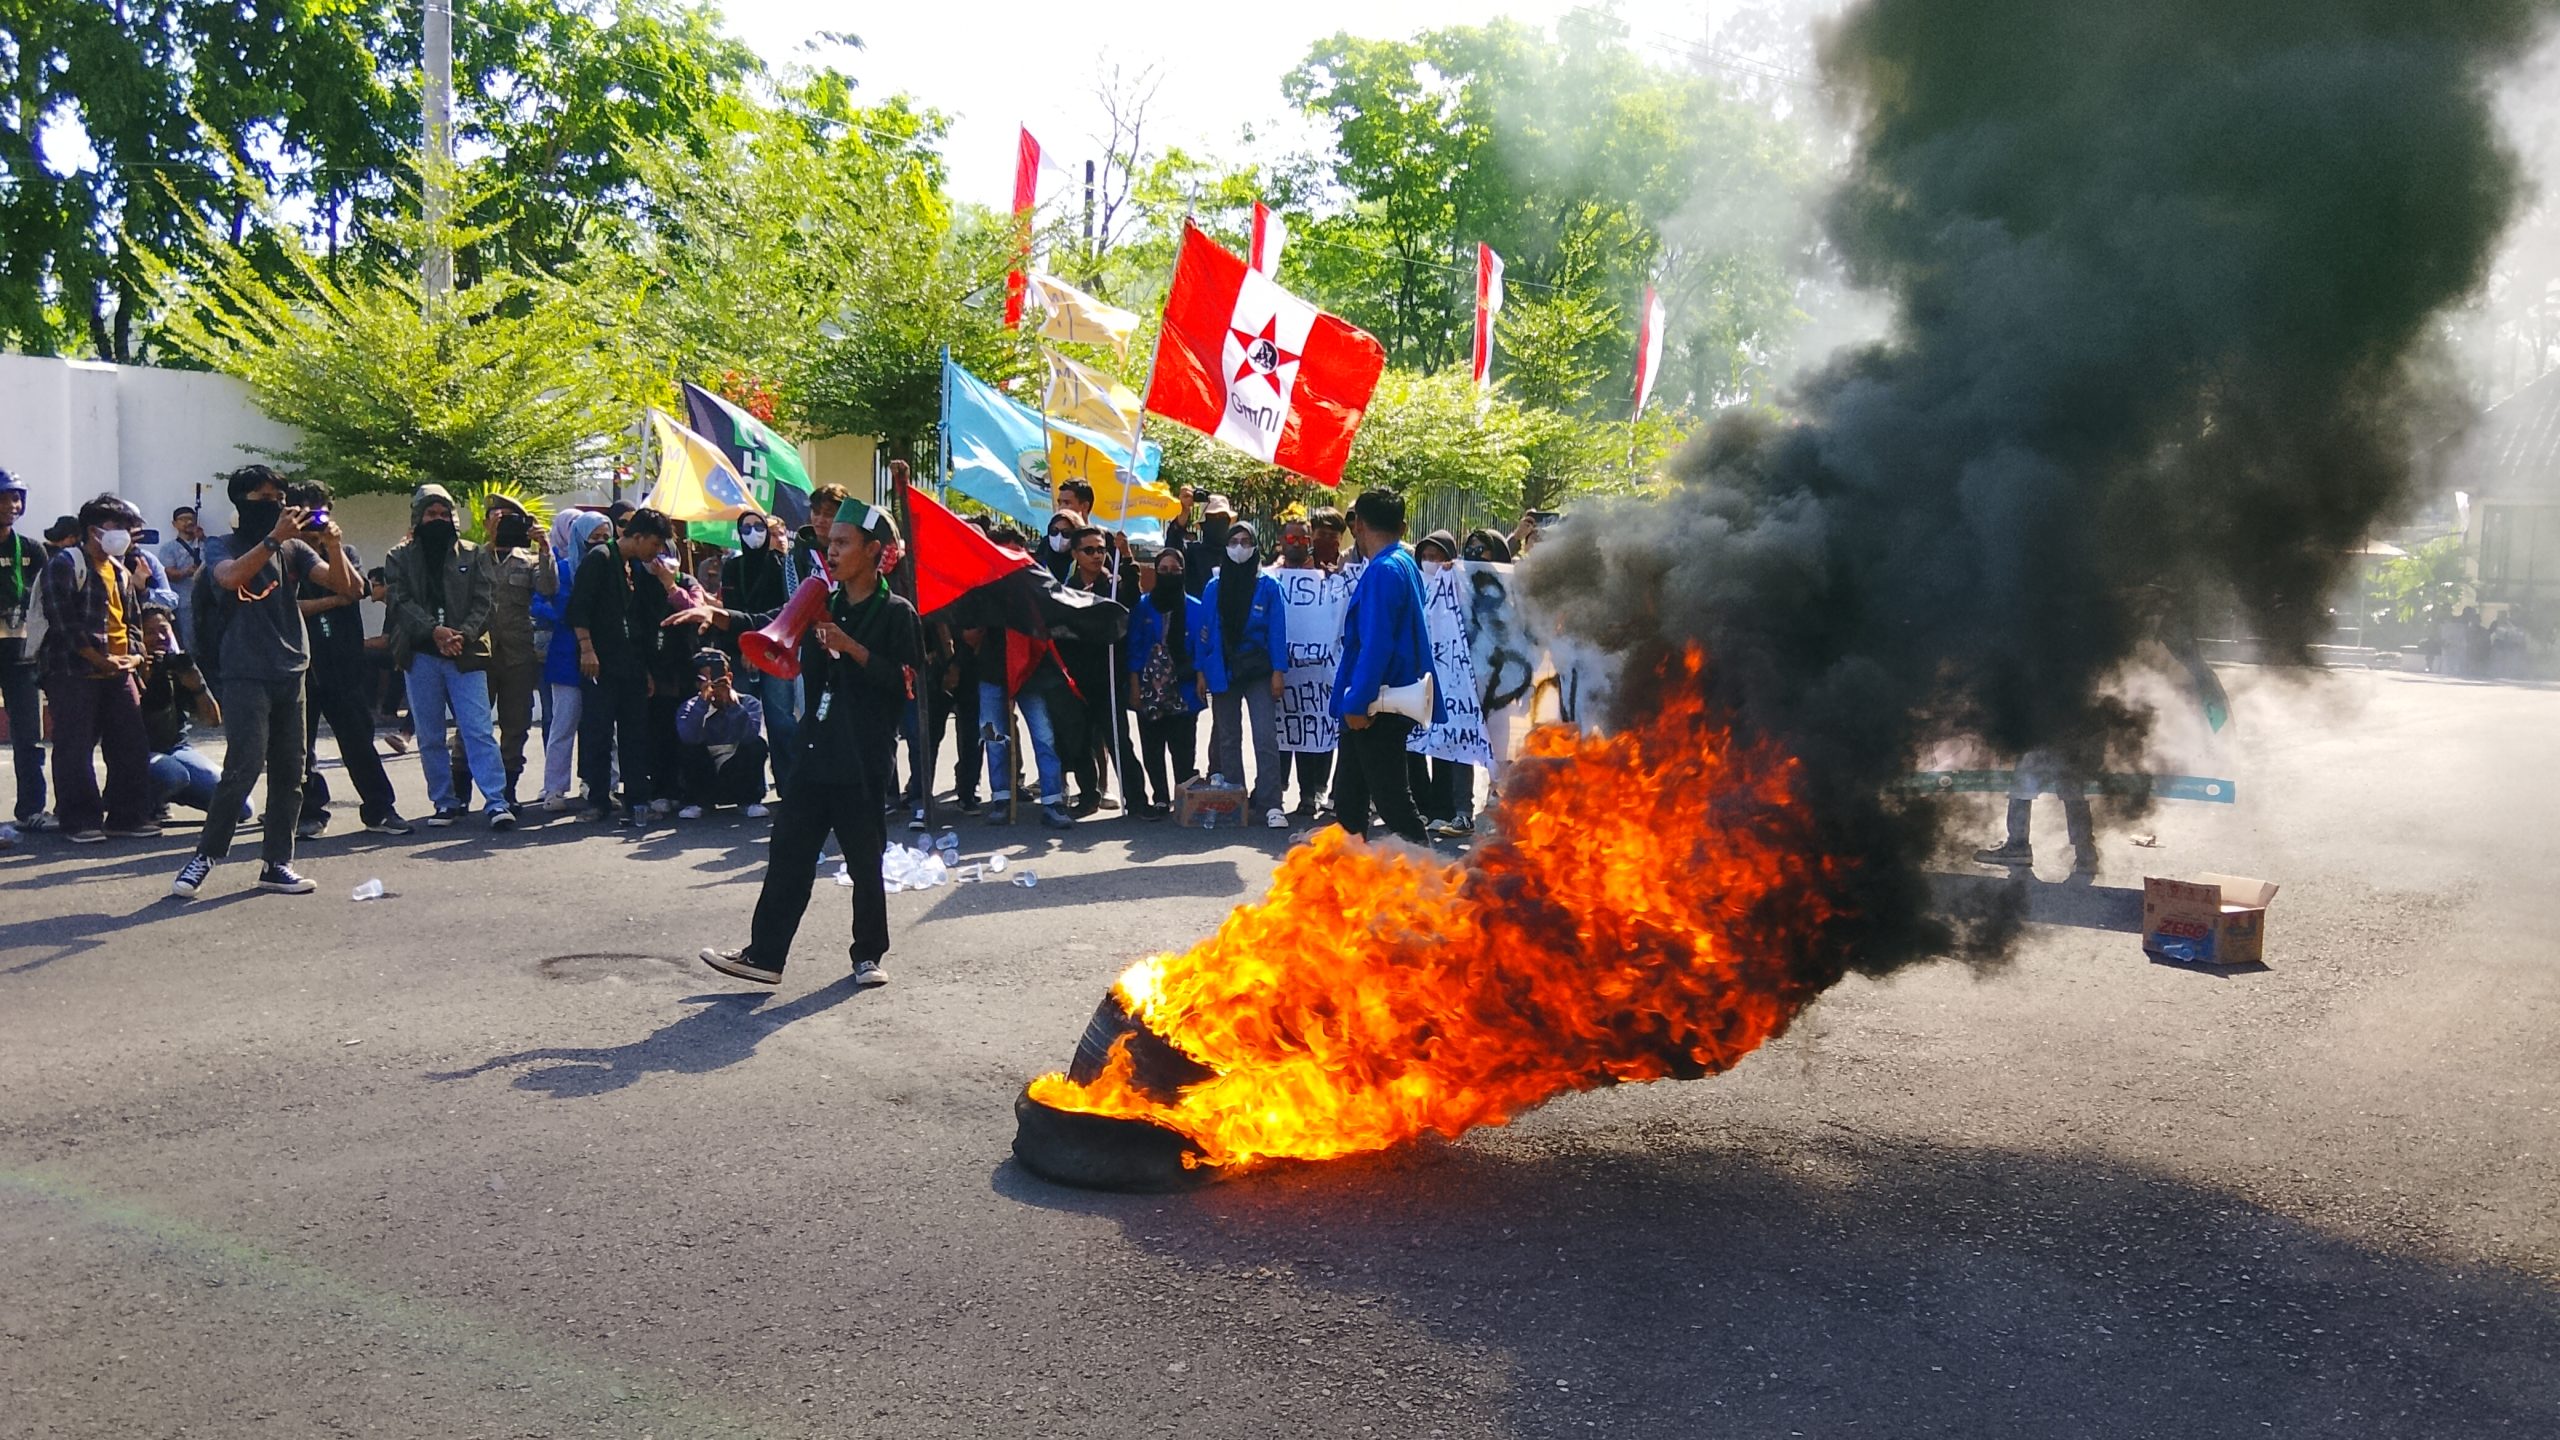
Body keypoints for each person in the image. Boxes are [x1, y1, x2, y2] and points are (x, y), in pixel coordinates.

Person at [700, 502, 921, 989]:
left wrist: (852, 648)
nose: (832, 551)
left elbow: (905, 681)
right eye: (830, 542)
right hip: (814, 750)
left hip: (862, 756)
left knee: (865, 860)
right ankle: (765, 956)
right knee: (788, 855)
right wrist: (718, 616)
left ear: (873, 551)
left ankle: (868, 955)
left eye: (843, 543)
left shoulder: (896, 613)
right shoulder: (821, 599)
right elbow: (770, 619)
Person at [169, 467, 364, 898]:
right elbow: (229, 577)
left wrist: (333, 545)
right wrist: (273, 538)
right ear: (241, 501)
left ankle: (277, 862)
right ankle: (205, 856)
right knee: (243, 765)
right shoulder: (223, 544)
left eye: (279, 497)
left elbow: (347, 588)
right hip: (244, 670)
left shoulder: (296, 548)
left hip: (291, 668)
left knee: (291, 770)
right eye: (264, 497)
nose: (276, 504)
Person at [382, 484, 516, 831]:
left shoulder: (474, 554)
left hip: (466, 655)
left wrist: (462, 635)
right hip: (420, 656)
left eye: (444, 513)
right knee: (430, 736)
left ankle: (496, 802)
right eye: (431, 513)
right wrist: (434, 632)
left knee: (478, 730)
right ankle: (444, 802)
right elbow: (399, 600)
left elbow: (486, 601)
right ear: (418, 516)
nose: (438, 519)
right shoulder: (399, 556)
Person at [282, 479, 408, 838]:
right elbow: (288, 607)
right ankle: (309, 811)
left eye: (321, 513)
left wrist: (332, 546)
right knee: (300, 746)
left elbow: (356, 589)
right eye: (307, 513)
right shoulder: (284, 554)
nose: (315, 521)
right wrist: (334, 600)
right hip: (302, 663)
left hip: (344, 660)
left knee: (358, 742)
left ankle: (380, 810)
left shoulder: (344, 551)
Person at [38, 494, 160, 843]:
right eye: (117, 526)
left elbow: (132, 622)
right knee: (75, 747)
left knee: (130, 744)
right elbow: (63, 622)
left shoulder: (120, 570)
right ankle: (79, 820)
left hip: (119, 671)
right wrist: (97, 658)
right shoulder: (65, 564)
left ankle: (127, 817)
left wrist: (134, 658)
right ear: (93, 530)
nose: (125, 533)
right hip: (73, 671)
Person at [1329, 488, 1441, 846]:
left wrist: (1357, 702)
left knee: (1392, 801)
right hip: (1386, 696)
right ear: (1403, 527)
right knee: (1349, 797)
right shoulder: (1403, 563)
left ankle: (1427, 870)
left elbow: (1377, 644)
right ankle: (1349, 871)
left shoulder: (1384, 570)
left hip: (1378, 702)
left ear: (1358, 525)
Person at [567, 506, 675, 825]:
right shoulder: (599, 558)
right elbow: (579, 608)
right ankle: (597, 801)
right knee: (598, 732)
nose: (657, 551)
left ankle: (637, 800)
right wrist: (587, 649)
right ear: (637, 537)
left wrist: (646, 670)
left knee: (635, 734)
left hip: (632, 664)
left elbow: (638, 620)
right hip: (599, 663)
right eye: (655, 543)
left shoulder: (635, 567)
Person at [453, 495, 556, 808]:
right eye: (498, 517)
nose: (504, 524)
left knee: (516, 723)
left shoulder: (528, 560)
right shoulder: (472, 557)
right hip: (478, 653)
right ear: (486, 523)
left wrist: (545, 548)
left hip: (517, 654)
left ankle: (507, 790)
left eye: (511, 519)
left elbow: (548, 588)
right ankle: (460, 792)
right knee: (471, 724)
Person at [1195, 519, 1290, 828]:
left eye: (1245, 542)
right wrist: (1201, 671)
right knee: (1227, 735)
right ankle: (1234, 798)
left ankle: (1271, 804)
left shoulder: (1269, 586)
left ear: (1255, 546)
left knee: (1265, 735)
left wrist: (1278, 671)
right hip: (1223, 669)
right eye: (1233, 542)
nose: (1239, 548)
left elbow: (1277, 631)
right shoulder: (1214, 587)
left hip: (1259, 669)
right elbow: (1205, 632)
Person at [718, 509, 802, 792]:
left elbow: (786, 609)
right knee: (746, 723)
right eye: (746, 528)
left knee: (782, 722)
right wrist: (746, 647)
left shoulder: (781, 564)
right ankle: (750, 790)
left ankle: (789, 787)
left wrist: (760, 645)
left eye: (758, 526)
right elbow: (731, 610)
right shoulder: (732, 567)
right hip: (740, 654)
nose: (753, 533)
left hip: (774, 651)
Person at [132, 601, 239, 821]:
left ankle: (171, 792)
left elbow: (212, 721)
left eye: (163, 630)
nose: (159, 637)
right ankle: (134, 801)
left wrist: (198, 687)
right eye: (150, 632)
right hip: (137, 752)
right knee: (173, 775)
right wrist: (142, 680)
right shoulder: (130, 668)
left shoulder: (179, 664)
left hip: (176, 748)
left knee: (240, 807)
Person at [531, 511, 610, 810]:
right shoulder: (563, 569)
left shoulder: (612, 568)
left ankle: (601, 784)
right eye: (594, 537)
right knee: (563, 725)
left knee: (603, 727)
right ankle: (554, 789)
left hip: (604, 654)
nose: (600, 543)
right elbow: (547, 603)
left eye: (605, 537)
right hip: (566, 654)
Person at [1408, 529, 1477, 840]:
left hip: (1453, 677)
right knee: (1416, 742)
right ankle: (1424, 806)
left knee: (1450, 743)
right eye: (1424, 556)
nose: (1429, 562)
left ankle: (1451, 810)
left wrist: (1458, 576)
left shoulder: (1459, 585)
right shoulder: (1415, 585)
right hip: (1419, 674)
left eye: (1435, 557)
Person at [1126, 546, 1203, 819]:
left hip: (1184, 686)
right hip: (1149, 688)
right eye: (1164, 569)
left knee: (1184, 746)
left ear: (1183, 572)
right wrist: (1134, 685)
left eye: (1175, 569)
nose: (1169, 574)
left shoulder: (1195, 607)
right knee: (1152, 746)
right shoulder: (1143, 606)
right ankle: (1160, 797)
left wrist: (1201, 678)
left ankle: (1183, 795)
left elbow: (1202, 648)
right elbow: (1134, 647)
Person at [1055, 525, 1125, 815]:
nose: (1097, 556)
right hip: (1077, 678)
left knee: (1118, 742)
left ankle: (1135, 799)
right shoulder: (1066, 590)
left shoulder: (1115, 584)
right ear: (1075, 554)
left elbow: (1130, 604)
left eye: (1101, 550)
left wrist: (1128, 558)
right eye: (1089, 550)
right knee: (1079, 741)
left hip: (1109, 677)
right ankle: (1088, 796)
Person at [1271, 516, 1337, 820]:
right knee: (1279, 730)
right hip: (1280, 669)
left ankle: (1309, 794)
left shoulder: (1327, 581)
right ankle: (1275, 789)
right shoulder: (1269, 578)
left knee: (1310, 732)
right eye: (1291, 539)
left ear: (1310, 543)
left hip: (1314, 674)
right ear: (1281, 542)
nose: (1296, 544)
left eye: (1302, 539)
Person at [0, 471, 51, 837]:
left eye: (16, 498)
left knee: (29, 736)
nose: (11, 506)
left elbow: (47, 600)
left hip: (20, 653)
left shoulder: (32, 549)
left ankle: (31, 810)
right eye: (4, 498)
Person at [674, 649, 770, 818]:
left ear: (729, 678)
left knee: (758, 745)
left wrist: (733, 706)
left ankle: (749, 801)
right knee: (686, 747)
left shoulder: (749, 703)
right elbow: (689, 738)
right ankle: (697, 802)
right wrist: (702, 705)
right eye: (705, 681)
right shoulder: (689, 707)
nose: (713, 686)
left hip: (735, 773)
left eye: (718, 681)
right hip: (707, 775)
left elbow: (750, 736)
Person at [1973, 749, 2099, 876]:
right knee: (2071, 788)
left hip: (2046, 743)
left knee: (2023, 782)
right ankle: (2085, 851)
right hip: (2069, 743)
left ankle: (2018, 846)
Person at [158, 505, 208, 648]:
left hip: (206, 600)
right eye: (183, 519)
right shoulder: (168, 548)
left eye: (191, 519)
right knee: (189, 638)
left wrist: (203, 538)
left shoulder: (205, 544)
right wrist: (186, 572)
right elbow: (168, 573)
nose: (188, 522)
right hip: (184, 602)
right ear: (174, 524)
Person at [1182, 494, 1236, 597]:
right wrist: (1183, 513)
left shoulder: (1236, 553)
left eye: (1222, 516)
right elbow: (1172, 548)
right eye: (1212, 517)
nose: (1218, 521)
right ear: (1203, 523)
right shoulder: (1191, 552)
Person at [1308, 506, 1348, 573]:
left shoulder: (1347, 565)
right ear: (1312, 533)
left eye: (1333, 536)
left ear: (1341, 537)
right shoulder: (1301, 563)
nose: (1327, 540)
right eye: (1322, 534)